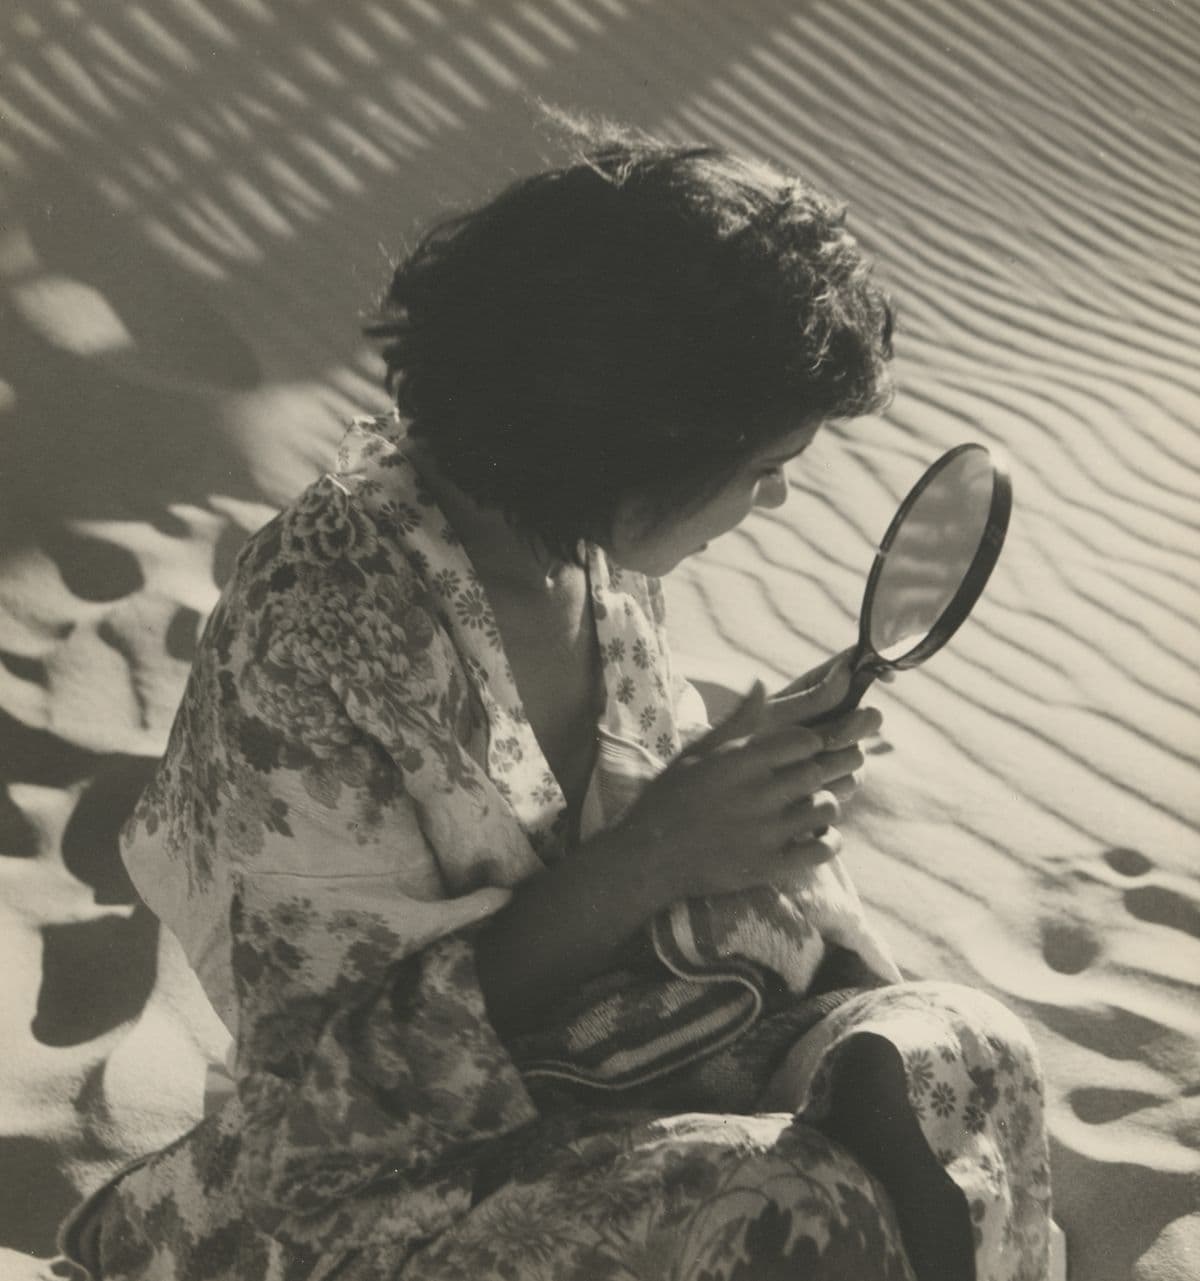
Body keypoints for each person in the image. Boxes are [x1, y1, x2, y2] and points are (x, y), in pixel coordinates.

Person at [59, 124, 1051, 1281]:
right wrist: (658, 855)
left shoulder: (584, 559)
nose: (775, 497)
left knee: (960, 1055)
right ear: (632, 436)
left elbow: (646, 853)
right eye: (765, 462)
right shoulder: (322, 622)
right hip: (383, 1198)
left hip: (617, 1081)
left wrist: (741, 794)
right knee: (787, 1202)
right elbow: (325, 1089)